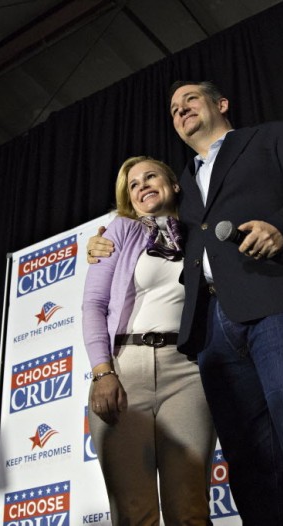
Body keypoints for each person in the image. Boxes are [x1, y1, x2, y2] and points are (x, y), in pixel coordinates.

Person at [87, 82, 283, 525]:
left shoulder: (271, 137)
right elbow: (147, 232)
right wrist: (99, 244)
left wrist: (282, 228)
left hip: (278, 304)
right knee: (251, 466)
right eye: (173, 108)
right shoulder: (181, 184)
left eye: (190, 101)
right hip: (213, 333)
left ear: (221, 104)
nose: (180, 110)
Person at [82, 156, 216, 526]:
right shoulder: (120, 231)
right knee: (133, 513)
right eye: (133, 184)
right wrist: (102, 373)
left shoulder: (199, 233)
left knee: (190, 511)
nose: (141, 186)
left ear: (174, 184)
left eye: (149, 176)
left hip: (188, 373)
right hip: (126, 370)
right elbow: (93, 305)